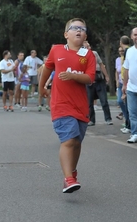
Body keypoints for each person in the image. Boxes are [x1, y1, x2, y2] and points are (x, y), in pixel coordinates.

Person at [39, 18, 96, 193]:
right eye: (75, 28)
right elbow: (47, 68)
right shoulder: (56, 50)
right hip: (61, 104)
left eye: (82, 29)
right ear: (66, 34)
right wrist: (41, 88)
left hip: (80, 106)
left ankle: (72, 171)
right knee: (69, 139)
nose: (79, 31)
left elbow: (90, 78)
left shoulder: (88, 55)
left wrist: (73, 76)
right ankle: (68, 179)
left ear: (85, 34)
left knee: (77, 142)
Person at [83, 40, 113, 126]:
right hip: (88, 79)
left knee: (104, 101)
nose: (88, 48)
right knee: (89, 102)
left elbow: (101, 64)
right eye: (85, 47)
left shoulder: (94, 53)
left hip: (98, 78)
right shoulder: (81, 56)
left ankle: (108, 118)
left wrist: (106, 76)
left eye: (88, 46)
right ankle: (91, 120)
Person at [119, 35, 131, 134]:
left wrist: (125, 83)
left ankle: (129, 125)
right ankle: (128, 124)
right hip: (125, 79)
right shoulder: (128, 50)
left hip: (127, 80)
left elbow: (127, 67)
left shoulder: (127, 51)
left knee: (128, 106)